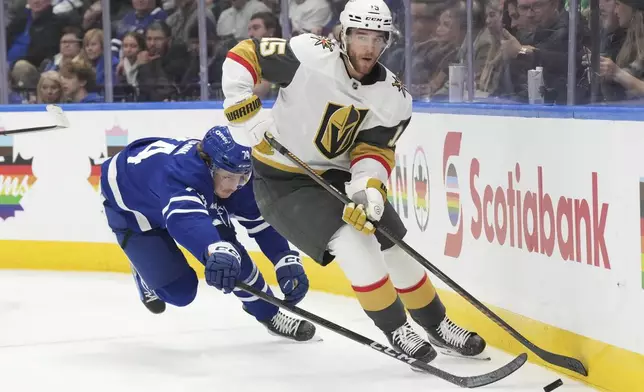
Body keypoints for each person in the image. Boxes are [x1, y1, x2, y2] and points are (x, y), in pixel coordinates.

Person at [220, 0, 486, 362]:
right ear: (343, 35)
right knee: (351, 238)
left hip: (335, 175)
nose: (369, 47)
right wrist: (240, 103)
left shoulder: (393, 97)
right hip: (282, 179)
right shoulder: (308, 54)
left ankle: (437, 324)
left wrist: (368, 191)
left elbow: (373, 152)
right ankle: (397, 328)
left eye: (378, 38)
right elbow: (244, 53)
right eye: (361, 35)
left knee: (392, 239)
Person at [99, 125, 316, 342]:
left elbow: (260, 222)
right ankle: (143, 271)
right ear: (208, 164)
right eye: (228, 177)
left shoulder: (232, 173)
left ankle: (270, 315)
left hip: (159, 186)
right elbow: (186, 220)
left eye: (242, 176)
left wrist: (283, 258)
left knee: (231, 254)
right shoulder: (181, 176)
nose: (234, 185)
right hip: (132, 208)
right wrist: (214, 249)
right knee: (180, 292)